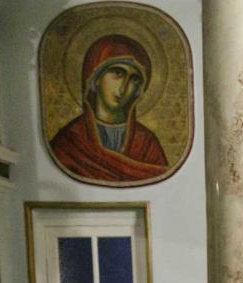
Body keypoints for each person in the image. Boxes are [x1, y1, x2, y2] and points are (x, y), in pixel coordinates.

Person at [49, 34, 170, 184]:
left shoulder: (146, 142)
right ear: (95, 78)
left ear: (139, 90)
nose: (123, 88)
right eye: (118, 73)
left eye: (134, 79)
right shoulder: (69, 141)